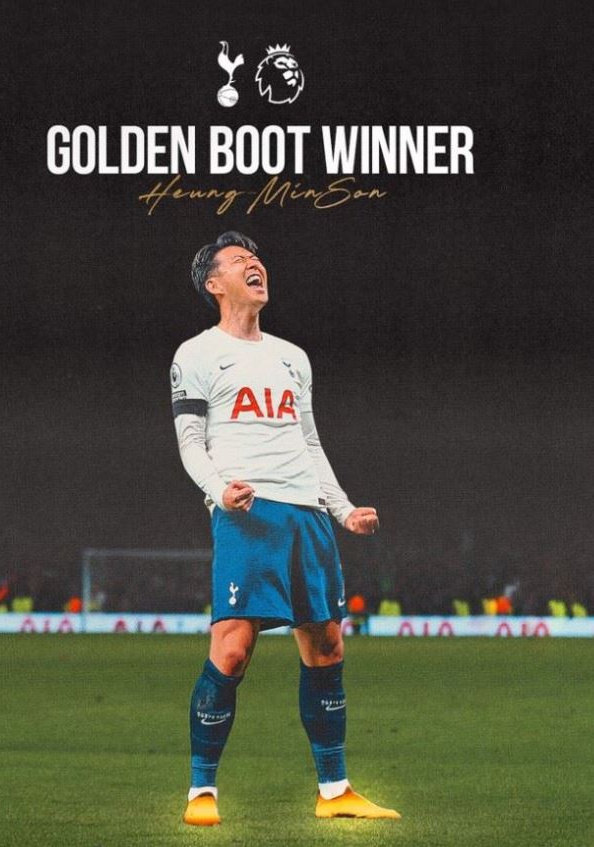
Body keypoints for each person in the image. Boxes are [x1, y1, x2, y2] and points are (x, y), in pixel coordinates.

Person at [170, 231, 401, 826]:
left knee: (326, 645)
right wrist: (219, 490)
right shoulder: (196, 354)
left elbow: (309, 442)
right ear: (213, 283)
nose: (255, 265)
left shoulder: (293, 357)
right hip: (247, 514)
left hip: (307, 513)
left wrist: (342, 509)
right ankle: (201, 792)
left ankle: (335, 790)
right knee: (233, 649)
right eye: (239, 261)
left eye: (257, 259)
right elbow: (190, 443)